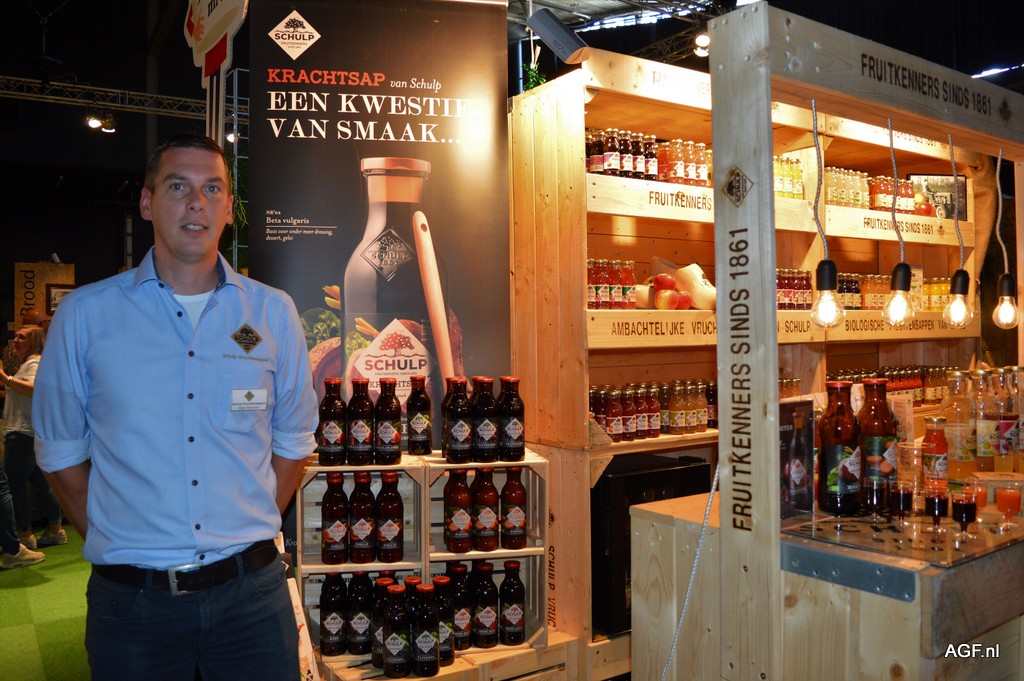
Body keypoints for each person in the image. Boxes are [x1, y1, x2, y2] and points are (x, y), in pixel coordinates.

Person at [33, 132, 318, 680]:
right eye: (178, 187)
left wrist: (247, 525)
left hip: (252, 600)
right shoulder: (85, 316)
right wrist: (122, 539)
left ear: (229, 209)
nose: (196, 203)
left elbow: (293, 441)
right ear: (147, 203)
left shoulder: (272, 314)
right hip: (133, 605)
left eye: (212, 189)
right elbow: (61, 453)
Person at [1, 325, 66, 549]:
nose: (16, 341)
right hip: (29, 432)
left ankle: (24, 535)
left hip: (22, 432)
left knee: (14, 485)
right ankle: (55, 530)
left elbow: (34, 389)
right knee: (41, 482)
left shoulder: (35, 363)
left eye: (22, 337)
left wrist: (5, 378)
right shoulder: (31, 363)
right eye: (15, 337)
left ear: (35, 342)